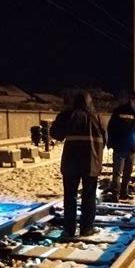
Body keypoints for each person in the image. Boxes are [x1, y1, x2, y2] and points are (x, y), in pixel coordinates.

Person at [50, 89, 106, 237]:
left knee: (70, 196)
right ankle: (86, 228)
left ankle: (69, 229)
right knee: (89, 196)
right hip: (91, 163)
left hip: (71, 163)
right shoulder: (98, 118)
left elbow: (54, 133)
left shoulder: (68, 115)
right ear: (90, 102)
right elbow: (105, 140)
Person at [106, 90, 135, 202]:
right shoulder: (120, 111)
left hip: (131, 148)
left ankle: (124, 192)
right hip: (119, 146)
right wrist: (110, 142)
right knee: (117, 172)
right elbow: (111, 128)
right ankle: (115, 194)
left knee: (128, 172)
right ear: (131, 100)